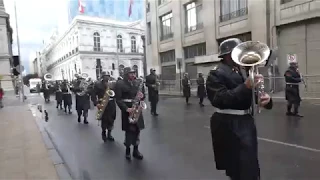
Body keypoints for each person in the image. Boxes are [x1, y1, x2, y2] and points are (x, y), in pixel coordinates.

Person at [206, 38, 273, 180]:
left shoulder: (240, 71)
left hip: (245, 122)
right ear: (227, 55)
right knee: (238, 168)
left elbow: (248, 94)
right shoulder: (216, 73)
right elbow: (219, 99)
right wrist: (246, 86)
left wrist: (265, 100)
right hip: (229, 124)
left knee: (249, 166)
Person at [115, 67, 145, 161]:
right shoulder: (120, 84)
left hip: (137, 108)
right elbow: (118, 99)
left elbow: (142, 95)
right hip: (127, 109)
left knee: (137, 130)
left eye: (134, 73)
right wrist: (126, 109)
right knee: (129, 131)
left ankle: (136, 150)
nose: (133, 75)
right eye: (131, 73)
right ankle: (127, 150)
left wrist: (142, 96)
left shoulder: (138, 83)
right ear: (126, 74)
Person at [92, 71, 117, 142]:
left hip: (111, 103)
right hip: (102, 103)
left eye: (108, 76)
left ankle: (109, 133)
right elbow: (93, 94)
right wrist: (96, 103)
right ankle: (103, 132)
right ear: (102, 77)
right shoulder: (97, 84)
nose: (107, 77)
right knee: (104, 119)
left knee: (111, 119)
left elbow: (116, 93)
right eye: (105, 76)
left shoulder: (112, 83)